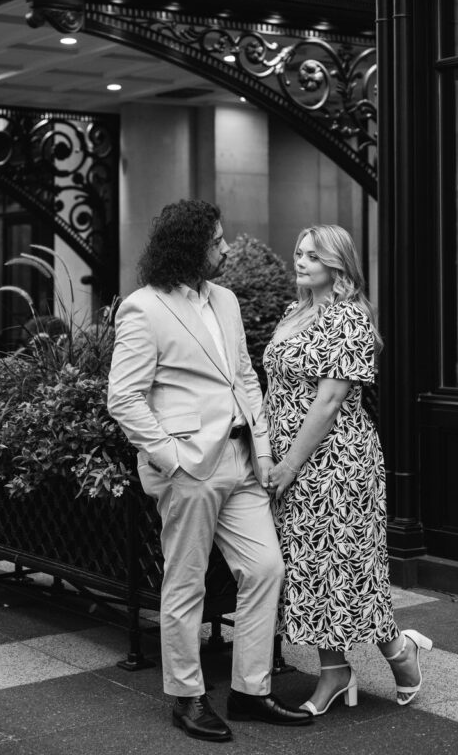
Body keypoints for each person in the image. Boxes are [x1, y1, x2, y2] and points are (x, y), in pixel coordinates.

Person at [108, 200, 313, 742]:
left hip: (243, 461)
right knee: (186, 583)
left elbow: (245, 376)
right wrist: (171, 458)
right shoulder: (143, 308)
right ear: (189, 247)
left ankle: (250, 690)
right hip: (189, 469)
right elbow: (123, 398)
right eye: (217, 241)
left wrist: (264, 451)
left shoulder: (225, 299)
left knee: (266, 568)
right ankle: (186, 697)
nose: (226, 248)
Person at [263, 224, 432, 716]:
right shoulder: (293, 312)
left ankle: (400, 653)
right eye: (298, 251)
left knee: (350, 567)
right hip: (291, 461)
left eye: (313, 255)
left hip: (338, 461)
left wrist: (292, 461)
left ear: (337, 264)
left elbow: (332, 397)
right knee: (312, 568)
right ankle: (335, 670)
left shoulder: (349, 317)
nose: (302, 260)